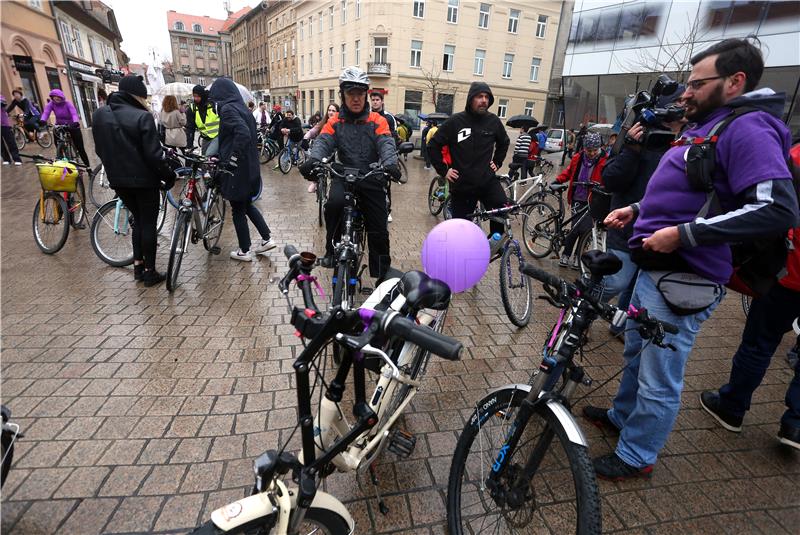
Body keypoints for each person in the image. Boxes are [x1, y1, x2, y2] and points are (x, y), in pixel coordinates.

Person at [586, 38, 798, 480]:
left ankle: (636, 455)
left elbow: (776, 207)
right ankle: (623, 418)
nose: (686, 92)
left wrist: (683, 235)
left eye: (698, 83)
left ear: (735, 82)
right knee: (637, 351)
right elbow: (694, 194)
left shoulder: (748, 127)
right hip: (657, 268)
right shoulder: (712, 123)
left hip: (685, 277)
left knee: (659, 374)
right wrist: (639, 211)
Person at [699, 139, 800, 451]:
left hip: (791, 274)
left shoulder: (795, 156)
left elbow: (772, 207)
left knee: (759, 342)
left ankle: (732, 406)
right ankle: (795, 424)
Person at [300, 66, 400, 280]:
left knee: (378, 225)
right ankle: (331, 251)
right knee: (333, 205)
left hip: (371, 176)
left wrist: (391, 163)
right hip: (344, 176)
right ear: (343, 95)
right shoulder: (336, 121)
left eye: (360, 94)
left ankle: (382, 275)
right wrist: (313, 160)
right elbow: (324, 141)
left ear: (366, 94)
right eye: (350, 94)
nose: (356, 98)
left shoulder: (377, 120)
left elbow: (386, 142)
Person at [600, 88, 687, 335]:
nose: (684, 104)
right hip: (626, 226)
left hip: (660, 232)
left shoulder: (691, 139)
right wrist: (632, 150)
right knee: (617, 280)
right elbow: (611, 180)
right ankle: (580, 305)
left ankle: (620, 326)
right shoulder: (639, 135)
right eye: (678, 101)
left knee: (636, 285)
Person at [92, 75, 175, 287]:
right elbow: (154, 156)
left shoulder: (100, 115)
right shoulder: (142, 117)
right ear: (138, 96)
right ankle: (150, 272)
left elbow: (99, 149)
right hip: (144, 181)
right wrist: (168, 176)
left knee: (138, 221)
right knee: (147, 224)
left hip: (119, 181)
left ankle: (138, 266)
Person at [427, 81, 510, 256]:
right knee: (460, 230)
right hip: (463, 184)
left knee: (502, 207)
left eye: (487, 97)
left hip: (487, 180)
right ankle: (459, 260)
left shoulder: (493, 121)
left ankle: (492, 244)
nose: (484, 100)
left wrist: (498, 161)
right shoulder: (456, 122)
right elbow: (433, 145)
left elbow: (504, 142)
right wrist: (444, 170)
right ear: (471, 99)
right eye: (480, 96)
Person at [208, 78, 276, 261]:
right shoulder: (242, 109)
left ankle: (244, 250)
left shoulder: (228, 109)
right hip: (249, 168)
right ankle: (267, 239)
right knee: (246, 205)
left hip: (237, 170)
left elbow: (243, 134)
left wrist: (232, 159)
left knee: (238, 208)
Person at [554, 132, 607, 268]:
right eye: (589, 150)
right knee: (575, 228)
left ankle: (578, 256)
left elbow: (607, 178)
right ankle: (566, 254)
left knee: (586, 230)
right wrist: (558, 180)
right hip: (578, 196)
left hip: (593, 199)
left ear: (599, 148)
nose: (592, 153)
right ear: (584, 148)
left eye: (595, 150)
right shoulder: (578, 158)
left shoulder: (604, 160)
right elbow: (569, 172)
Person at [369, 90, 400, 222]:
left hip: (384, 154)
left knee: (385, 182)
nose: (375, 102)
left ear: (382, 101)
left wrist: (391, 156)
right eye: (373, 100)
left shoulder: (389, 117)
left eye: (377, 100)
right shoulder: (366, 115)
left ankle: (387, 211)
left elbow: (392, 137)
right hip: (369, 154)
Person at [40, 89, 90, 167]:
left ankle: (88, 166)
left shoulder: (67, 104)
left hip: (71, 125)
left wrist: (75, 122)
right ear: (52, 97)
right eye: (55, 97)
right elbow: (46, 112)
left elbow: (74, 113)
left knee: (80, 147)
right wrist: (43, 120)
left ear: (61, 97)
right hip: (60, 125)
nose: (57, 99)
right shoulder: (51, 104)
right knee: (56, 137)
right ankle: (61, 155)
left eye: (58, 97)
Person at [303, 103, 339, 193]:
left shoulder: (339, 123)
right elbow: (313, 131)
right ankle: (314, 182)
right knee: (316, 164)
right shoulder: (323, 122)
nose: (331, 112)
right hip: (323, 149)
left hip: (335, 151)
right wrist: (305, 137)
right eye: (329, 110)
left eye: (333, 111)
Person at [185, 85, 220, 155]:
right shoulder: (192, 109)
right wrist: (189, 146)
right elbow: (190, 128)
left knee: (208, 156)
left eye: (198, 96)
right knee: (203, 159)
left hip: (218, 136)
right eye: (194, 96)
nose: (196, 98)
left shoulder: (213, 105)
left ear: (202, 95)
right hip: (206, 138)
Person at [1, 94, 22, 165]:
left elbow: (3, 103)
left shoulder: (1, 97)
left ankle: (17, 159)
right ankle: (6, 159)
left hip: (4, 124)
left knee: (10, 142)